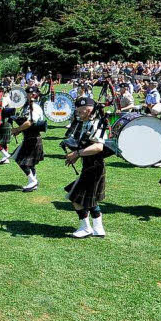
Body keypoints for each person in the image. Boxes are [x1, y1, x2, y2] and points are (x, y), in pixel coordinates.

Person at [64, 98, 111, 238]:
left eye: (80, 110)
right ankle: (98, 228)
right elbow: (86, 145)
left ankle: (86, 228)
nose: (78, 113)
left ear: (89, 109)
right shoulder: (88, 123)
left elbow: (98, 146)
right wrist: (76, 156)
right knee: (89, 200)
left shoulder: (97, 124)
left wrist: (77, 153)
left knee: (75, 197)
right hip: (90, 166)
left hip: (94, 167)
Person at [10, 85, 46, 192]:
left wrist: (17, 129)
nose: (29, 95)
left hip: (33, 138)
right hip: (28, 138)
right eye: (27, 93)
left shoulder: (35, 107)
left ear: (36, 94)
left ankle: (32, 181)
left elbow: (29, 122)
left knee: (20, 160)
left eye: (31, 93)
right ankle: (33, 181)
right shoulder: (26, 106)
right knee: (28, 162)